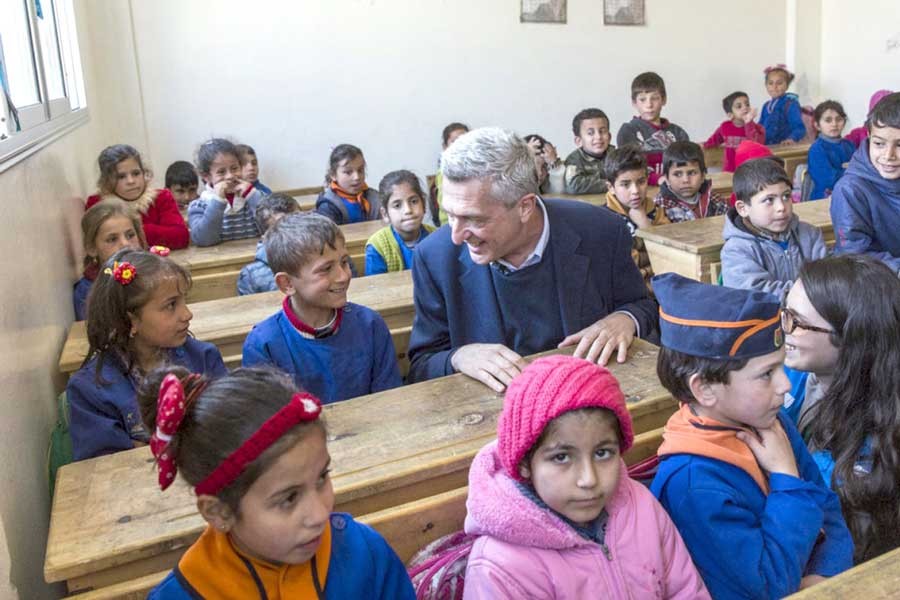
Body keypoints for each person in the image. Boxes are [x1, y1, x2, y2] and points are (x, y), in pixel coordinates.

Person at [650, 272, 854, 599]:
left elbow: (830, 513)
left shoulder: (772, 423)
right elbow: (766, 588)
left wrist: (824, 576)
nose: (785, 385)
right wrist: (786, 477)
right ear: (704, 389)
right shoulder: (692, 483)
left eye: (781, 367)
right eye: (766, 375)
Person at [407, 127, 657, 390]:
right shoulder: (435, 256)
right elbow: (423, 364)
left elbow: (643, 305)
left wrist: (625, 319)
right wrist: (458, 357)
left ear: (525, 206)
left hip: (589, 399)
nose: (456, 236)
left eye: (474, 219)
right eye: (451, 215)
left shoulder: (602, 230)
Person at [140, 367, 415, 599]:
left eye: (322, 477)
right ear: (219, 512)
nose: (320, 514)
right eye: (289, 499)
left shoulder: (365, 554)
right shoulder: (187, 592)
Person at [463, 355, 710, 599]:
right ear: (526, 463)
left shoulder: (642, 508)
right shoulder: (501, 567)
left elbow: (687, 591)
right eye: (561, 457)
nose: (589, 479)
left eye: (602, 453)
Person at [781, 255, 900, 563]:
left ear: (851, 337)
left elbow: (852, 547)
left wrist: (783, 471)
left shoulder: (883, 436)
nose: (784, 330)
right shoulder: (789, 375)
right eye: (784, 314)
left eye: (796, 322)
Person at [67, 249, 226, 461]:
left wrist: (148, 446)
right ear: (130, 320)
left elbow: (228, 429)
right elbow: (108, 467)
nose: (187, 314)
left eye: (183, 301)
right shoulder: (89, 390)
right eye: (171, 305)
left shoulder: (204, 357)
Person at [242, 212, 401, 403]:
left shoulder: (370, 324)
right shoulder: (263, 344)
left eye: (344, 262)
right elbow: (268, 423)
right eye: (326, 269)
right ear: (287, 284)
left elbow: (389, 401)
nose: (343, 276)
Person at [721, 158, 826, 295]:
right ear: (743, 209)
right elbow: (756, 294)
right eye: (769, 200)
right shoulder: (736, 250)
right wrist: (811, 292)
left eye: (786, 196)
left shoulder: (809, 234)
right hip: (764, 316)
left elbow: (828, 278)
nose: (781, 207)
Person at [830, 92, 900, 274]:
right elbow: (856, 255)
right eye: (879, 144)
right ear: (868, 136)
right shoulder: (850, 190)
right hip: (875, 284)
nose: (888, 155)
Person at [85, 144, 189, 249]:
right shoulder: (98, 204)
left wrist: (136, 229)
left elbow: (181, 237)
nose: (131, 181)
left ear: (144, 173)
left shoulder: (161, 197)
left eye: (136, 173)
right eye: (121, 177)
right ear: (106, 181)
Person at [602, 145, 670, 286]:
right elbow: (624, 264)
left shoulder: (656, 211)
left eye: (641, 182)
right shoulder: (604, 219)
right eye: (625, 184)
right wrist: (648, 249)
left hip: (661, 284)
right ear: (611, 187)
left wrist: (645, 225)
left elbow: (669, 253)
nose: (635, 191)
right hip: (628, 289)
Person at [74, 200, 146, 320]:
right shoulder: (87, 292)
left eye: (130, 235)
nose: (125, 244)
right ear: (92, 248)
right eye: (112, 239)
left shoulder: (153, 274)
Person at [616, 72, 689, 186]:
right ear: (634, 103)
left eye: (654, 98)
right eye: (642, 99)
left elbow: (686, 164)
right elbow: (629, 167)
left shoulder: (678, 132)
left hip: (676, 189)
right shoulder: (629, 131)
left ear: (664, 100)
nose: (649, 105)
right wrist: (657, 179)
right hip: (640, 192)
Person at [188, 138, 265, 246]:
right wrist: (218, 201)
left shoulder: (254, 196)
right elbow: (204, 240)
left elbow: (274, 228)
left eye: (234, 168)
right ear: (206, 176)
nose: (230, 176)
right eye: (221, 172)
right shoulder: (199, 205)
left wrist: (252, 196)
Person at [364, 170, 435, 275]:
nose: (408, 210)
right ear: (385, 214)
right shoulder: (377, 247)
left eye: (414, 201)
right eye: (397, 205)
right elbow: (376, 287)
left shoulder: (436, 238)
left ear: (423, 205)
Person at [237, 193, 300, 295]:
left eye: (299, 222)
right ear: (266, 238)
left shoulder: (319, 258)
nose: (296, 232)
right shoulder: (252, 275)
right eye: (283, 228)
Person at [654, 141, 728, 223]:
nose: (686, 180)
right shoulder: (661, 206)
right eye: (677, 174)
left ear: (703, 176)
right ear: (667, 179)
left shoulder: (715, 200)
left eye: (692, 173)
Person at [315, 144, 380, 225]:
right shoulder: (328, 206)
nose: (356, 177)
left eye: (360, 170)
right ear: (333, 175)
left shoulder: (375, 197)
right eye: (348, 172)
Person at [703, 91, 766, 172]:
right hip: (730, 170)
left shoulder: (757, 128)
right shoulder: (725, 126)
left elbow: (755, 144)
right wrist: (704, 145)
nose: (745, 108)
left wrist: (748, 123)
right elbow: (714, 139)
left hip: (750, 170)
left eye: (747, 104)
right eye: (739, 106)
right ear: (730, 115)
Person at [807, 100, 855, 200]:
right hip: (824, 198)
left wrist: (846, 170)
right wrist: (851, 170)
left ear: (844, 122)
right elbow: (828, 180)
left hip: (850, 194)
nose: (834, 124)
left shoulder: (849, 145)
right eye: (828, 120)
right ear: (817, 125)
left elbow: (864, 170)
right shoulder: (817, 149)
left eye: (839, 119)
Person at [563, 108, 613, 195]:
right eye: (590, 133)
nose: (598, 137)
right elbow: (574, 186)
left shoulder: (616, 155)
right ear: (578, 141)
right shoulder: (574, 159)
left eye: (602, 131)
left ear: (609, 137)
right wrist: (610, 184)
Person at [432, 122, 470, 226]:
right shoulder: (444, 171)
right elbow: (445, 203)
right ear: (445, 147)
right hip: (449, 221)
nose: (461, 146)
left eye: (465, 141)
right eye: (455, 142)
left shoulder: (475, 167)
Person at [759, 64, 806, 145]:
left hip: (783, 149)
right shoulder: (766, 105)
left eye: (779, 83)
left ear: (787, 86)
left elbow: (799, 128)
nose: (774, 87)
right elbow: (760, 128)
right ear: (766, 85)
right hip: (767, 148)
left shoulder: (790, 104)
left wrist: (791, 139)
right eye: (770, 83)